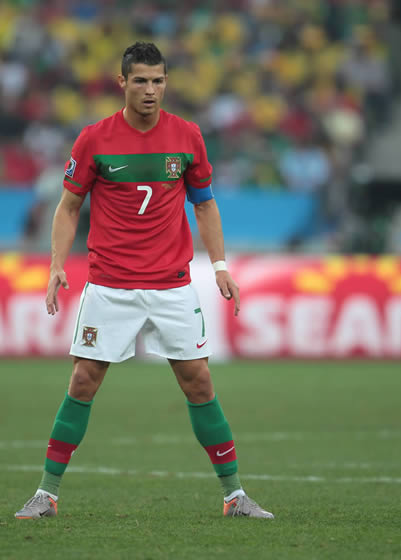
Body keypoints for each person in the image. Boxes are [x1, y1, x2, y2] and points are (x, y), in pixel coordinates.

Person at [15, 41, 273, 520]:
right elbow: (69, 206)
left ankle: (235, 495)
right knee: (83, 380)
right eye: (141, 81)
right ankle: (46, 494)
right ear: (123, 83)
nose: (150, 90)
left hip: (172, 286)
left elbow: (205, 203)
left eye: (158, 81)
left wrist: (219, 267)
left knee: (198, 382)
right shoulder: (94, 139)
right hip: (110, 285)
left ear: (166, 83)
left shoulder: (187, 136)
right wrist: (55, 265)